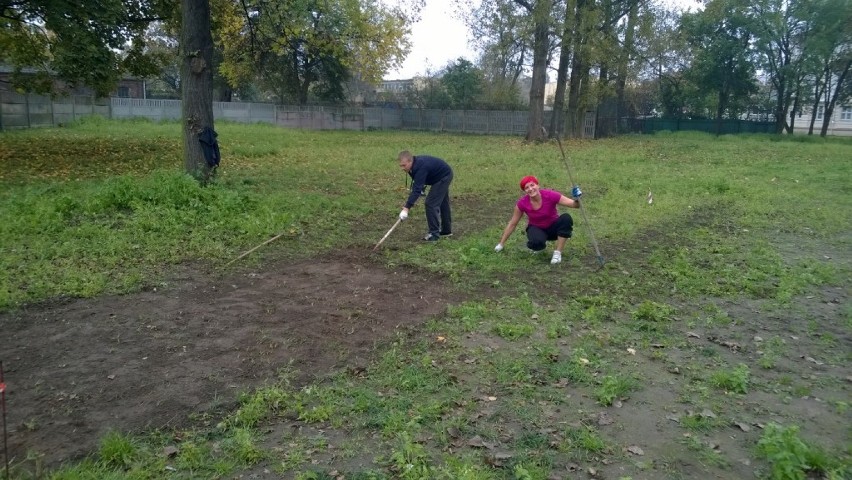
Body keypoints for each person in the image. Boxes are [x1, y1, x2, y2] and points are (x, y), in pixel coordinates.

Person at [494, 175, 582, 264]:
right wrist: (501, 244)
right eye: (527, 188)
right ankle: (538, 245)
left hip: (553, 228)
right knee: (537, 244)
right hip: (537, 228)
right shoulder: (522, 203)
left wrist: (577, 198)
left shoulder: (550, 195)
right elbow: (513, 223)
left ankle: (557, 253)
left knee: (566, 218)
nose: (530, 189)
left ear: (537, 185)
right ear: (525, 191)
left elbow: (575, 205)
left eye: (532, 185)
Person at [397, 150, 454, 241]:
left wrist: (406, 208)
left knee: (430, 203)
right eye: (401, 166)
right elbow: (418, 182)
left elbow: (416, 190)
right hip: (439, 175)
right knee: (442, 202)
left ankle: (434, 234)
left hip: (444, 176)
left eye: (404, 165)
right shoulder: (413, 166)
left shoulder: (420, 167)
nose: (402, 168)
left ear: (410, 161)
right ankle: (446, 231)